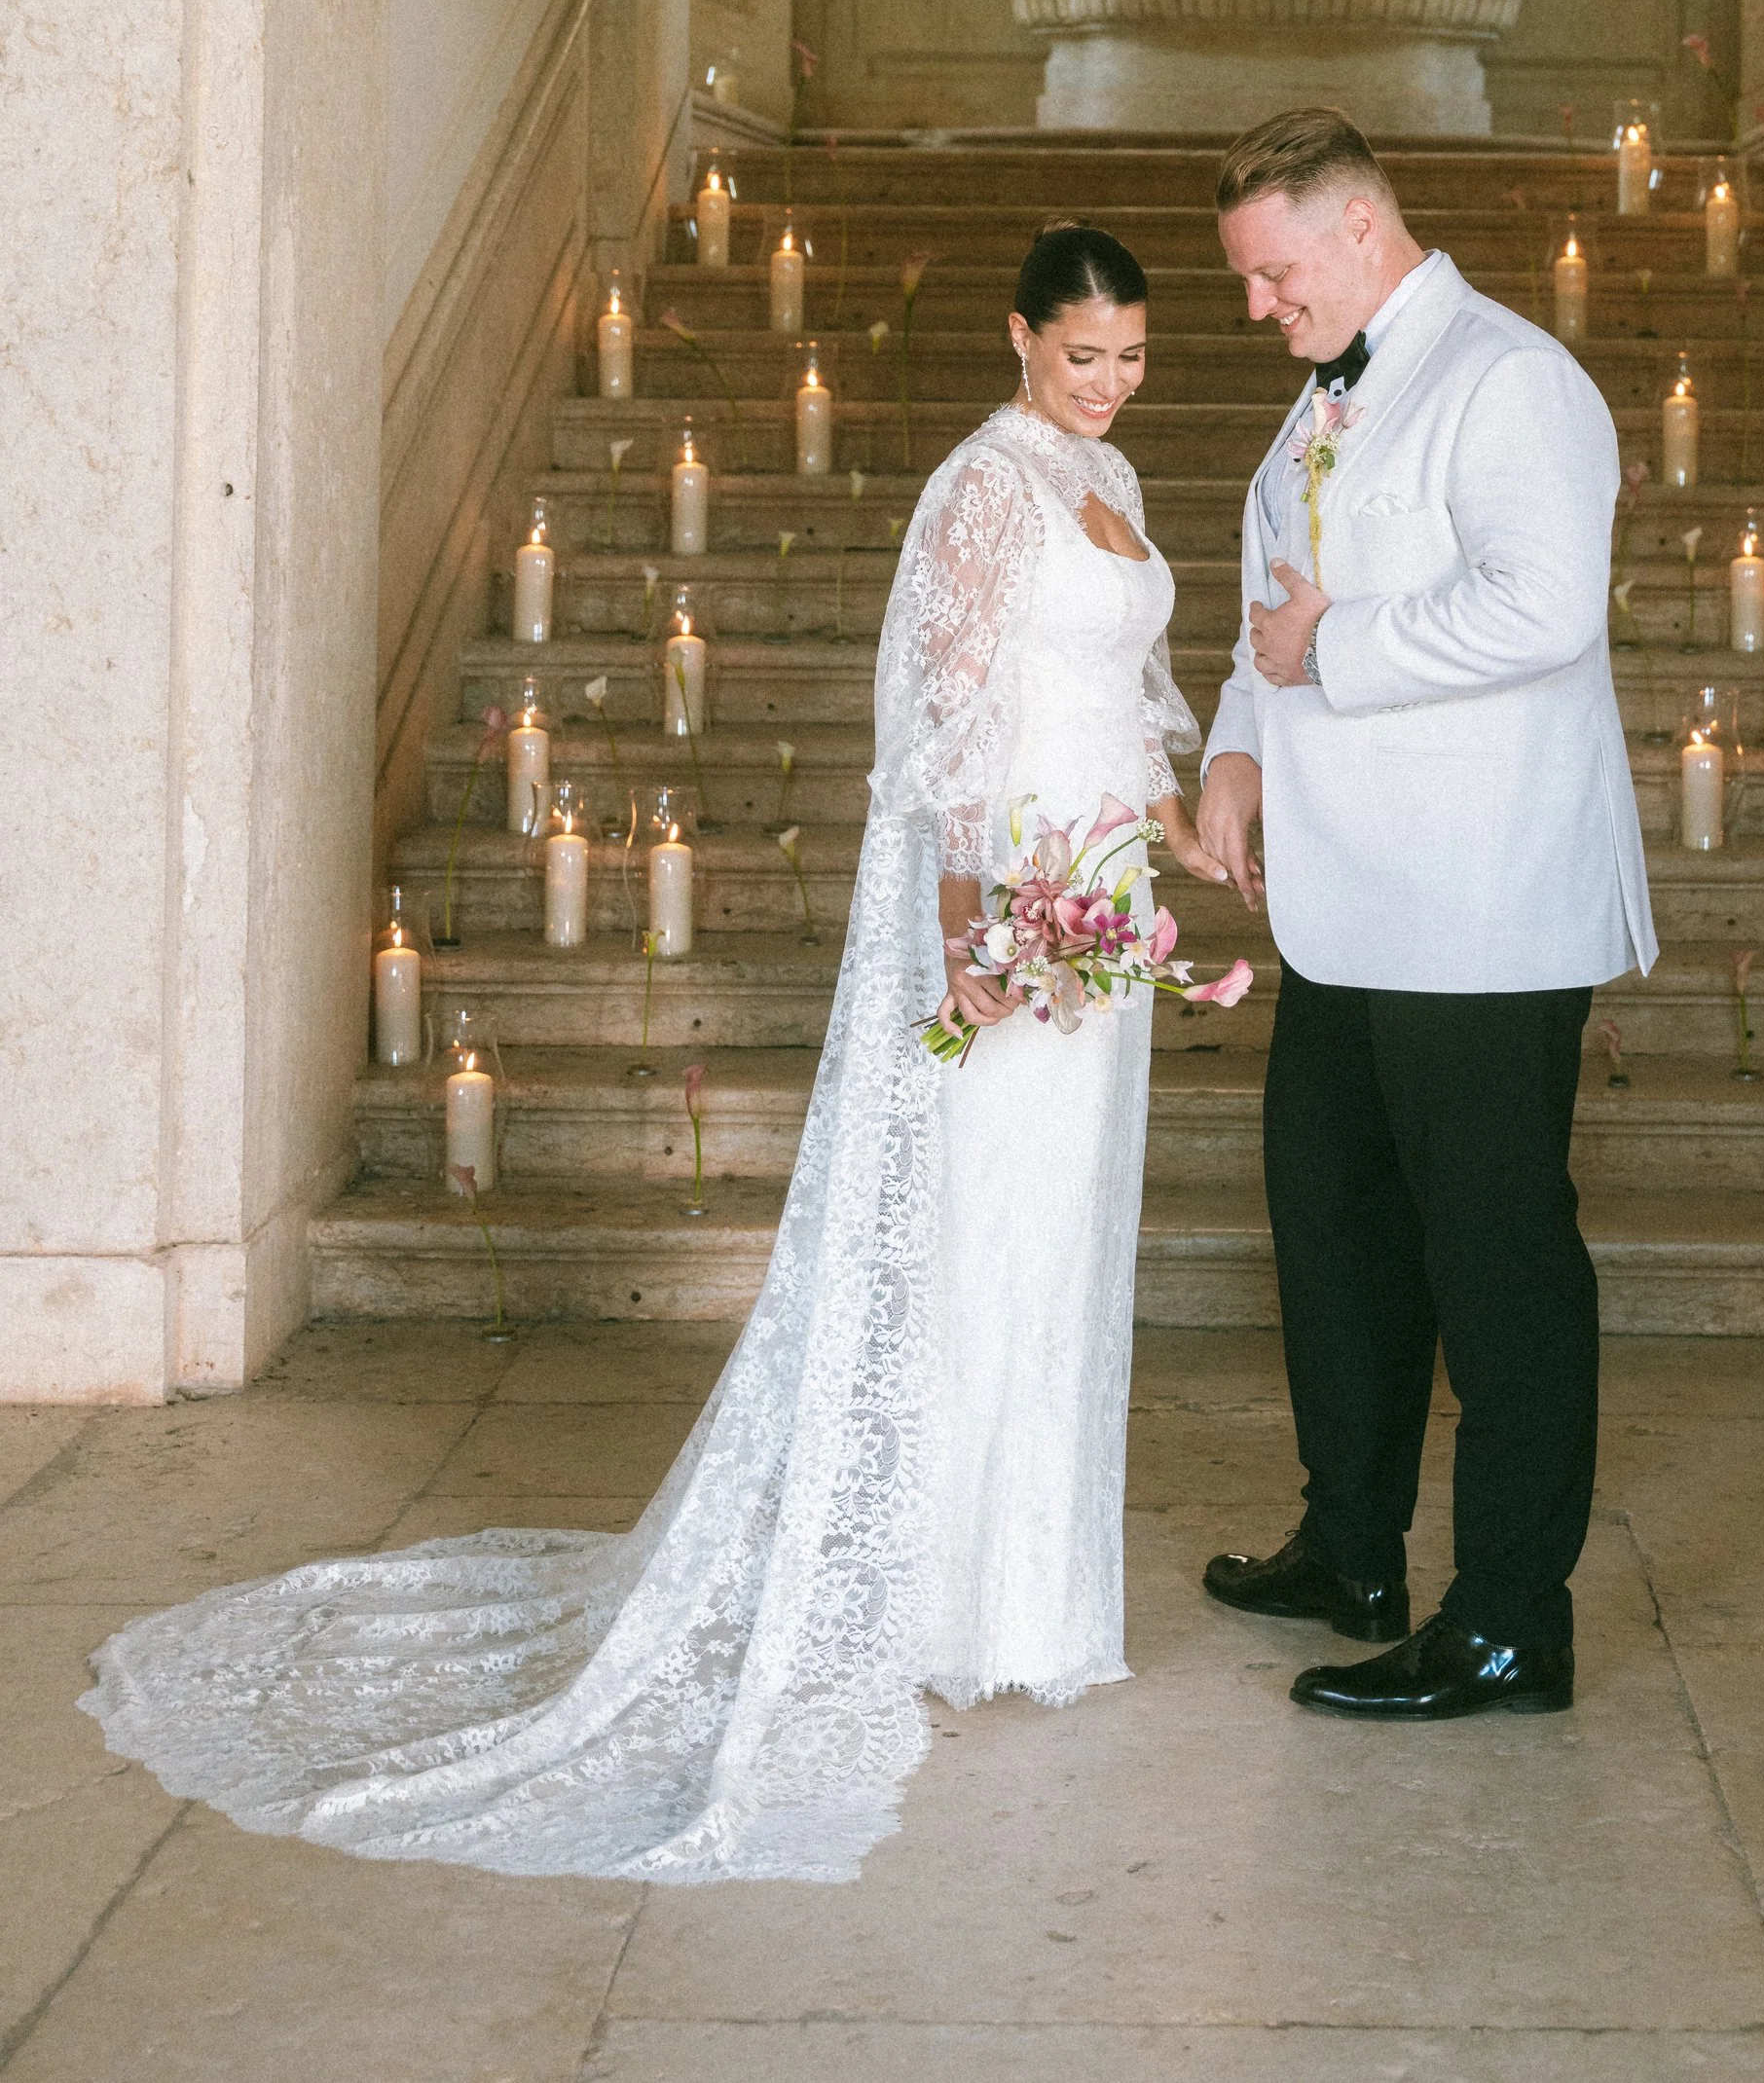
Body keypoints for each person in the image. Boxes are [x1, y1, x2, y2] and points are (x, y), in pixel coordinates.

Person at [83, 225, 1218, 1882]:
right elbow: (944, 727)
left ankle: (1036, 1594)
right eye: (1081, 357)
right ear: (1020, 337)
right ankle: (927, 1591)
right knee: (978, 1227)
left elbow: (1138, 682)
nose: (1108, 383)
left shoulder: (1106, 480)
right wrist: (970, 931)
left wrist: (1177, 822)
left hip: (1099, 901)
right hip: (1007, 896)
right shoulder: (983, 488)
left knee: (1066, 1232)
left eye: (1130, 356)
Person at [1194, 109, 1656, 1721]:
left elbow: (1544, 604)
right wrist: (1237, 753)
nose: (1257, 306)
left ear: (1360, 227)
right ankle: (1353, 1548)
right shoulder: (1326, 396)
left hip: (1477, 908)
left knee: (1500, 1264)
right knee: (1333, 1236)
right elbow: (1271, 614)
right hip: (1342, 909)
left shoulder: (1508, 377)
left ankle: (1514, 1616)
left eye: (1270, 274)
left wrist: (1336, 653)